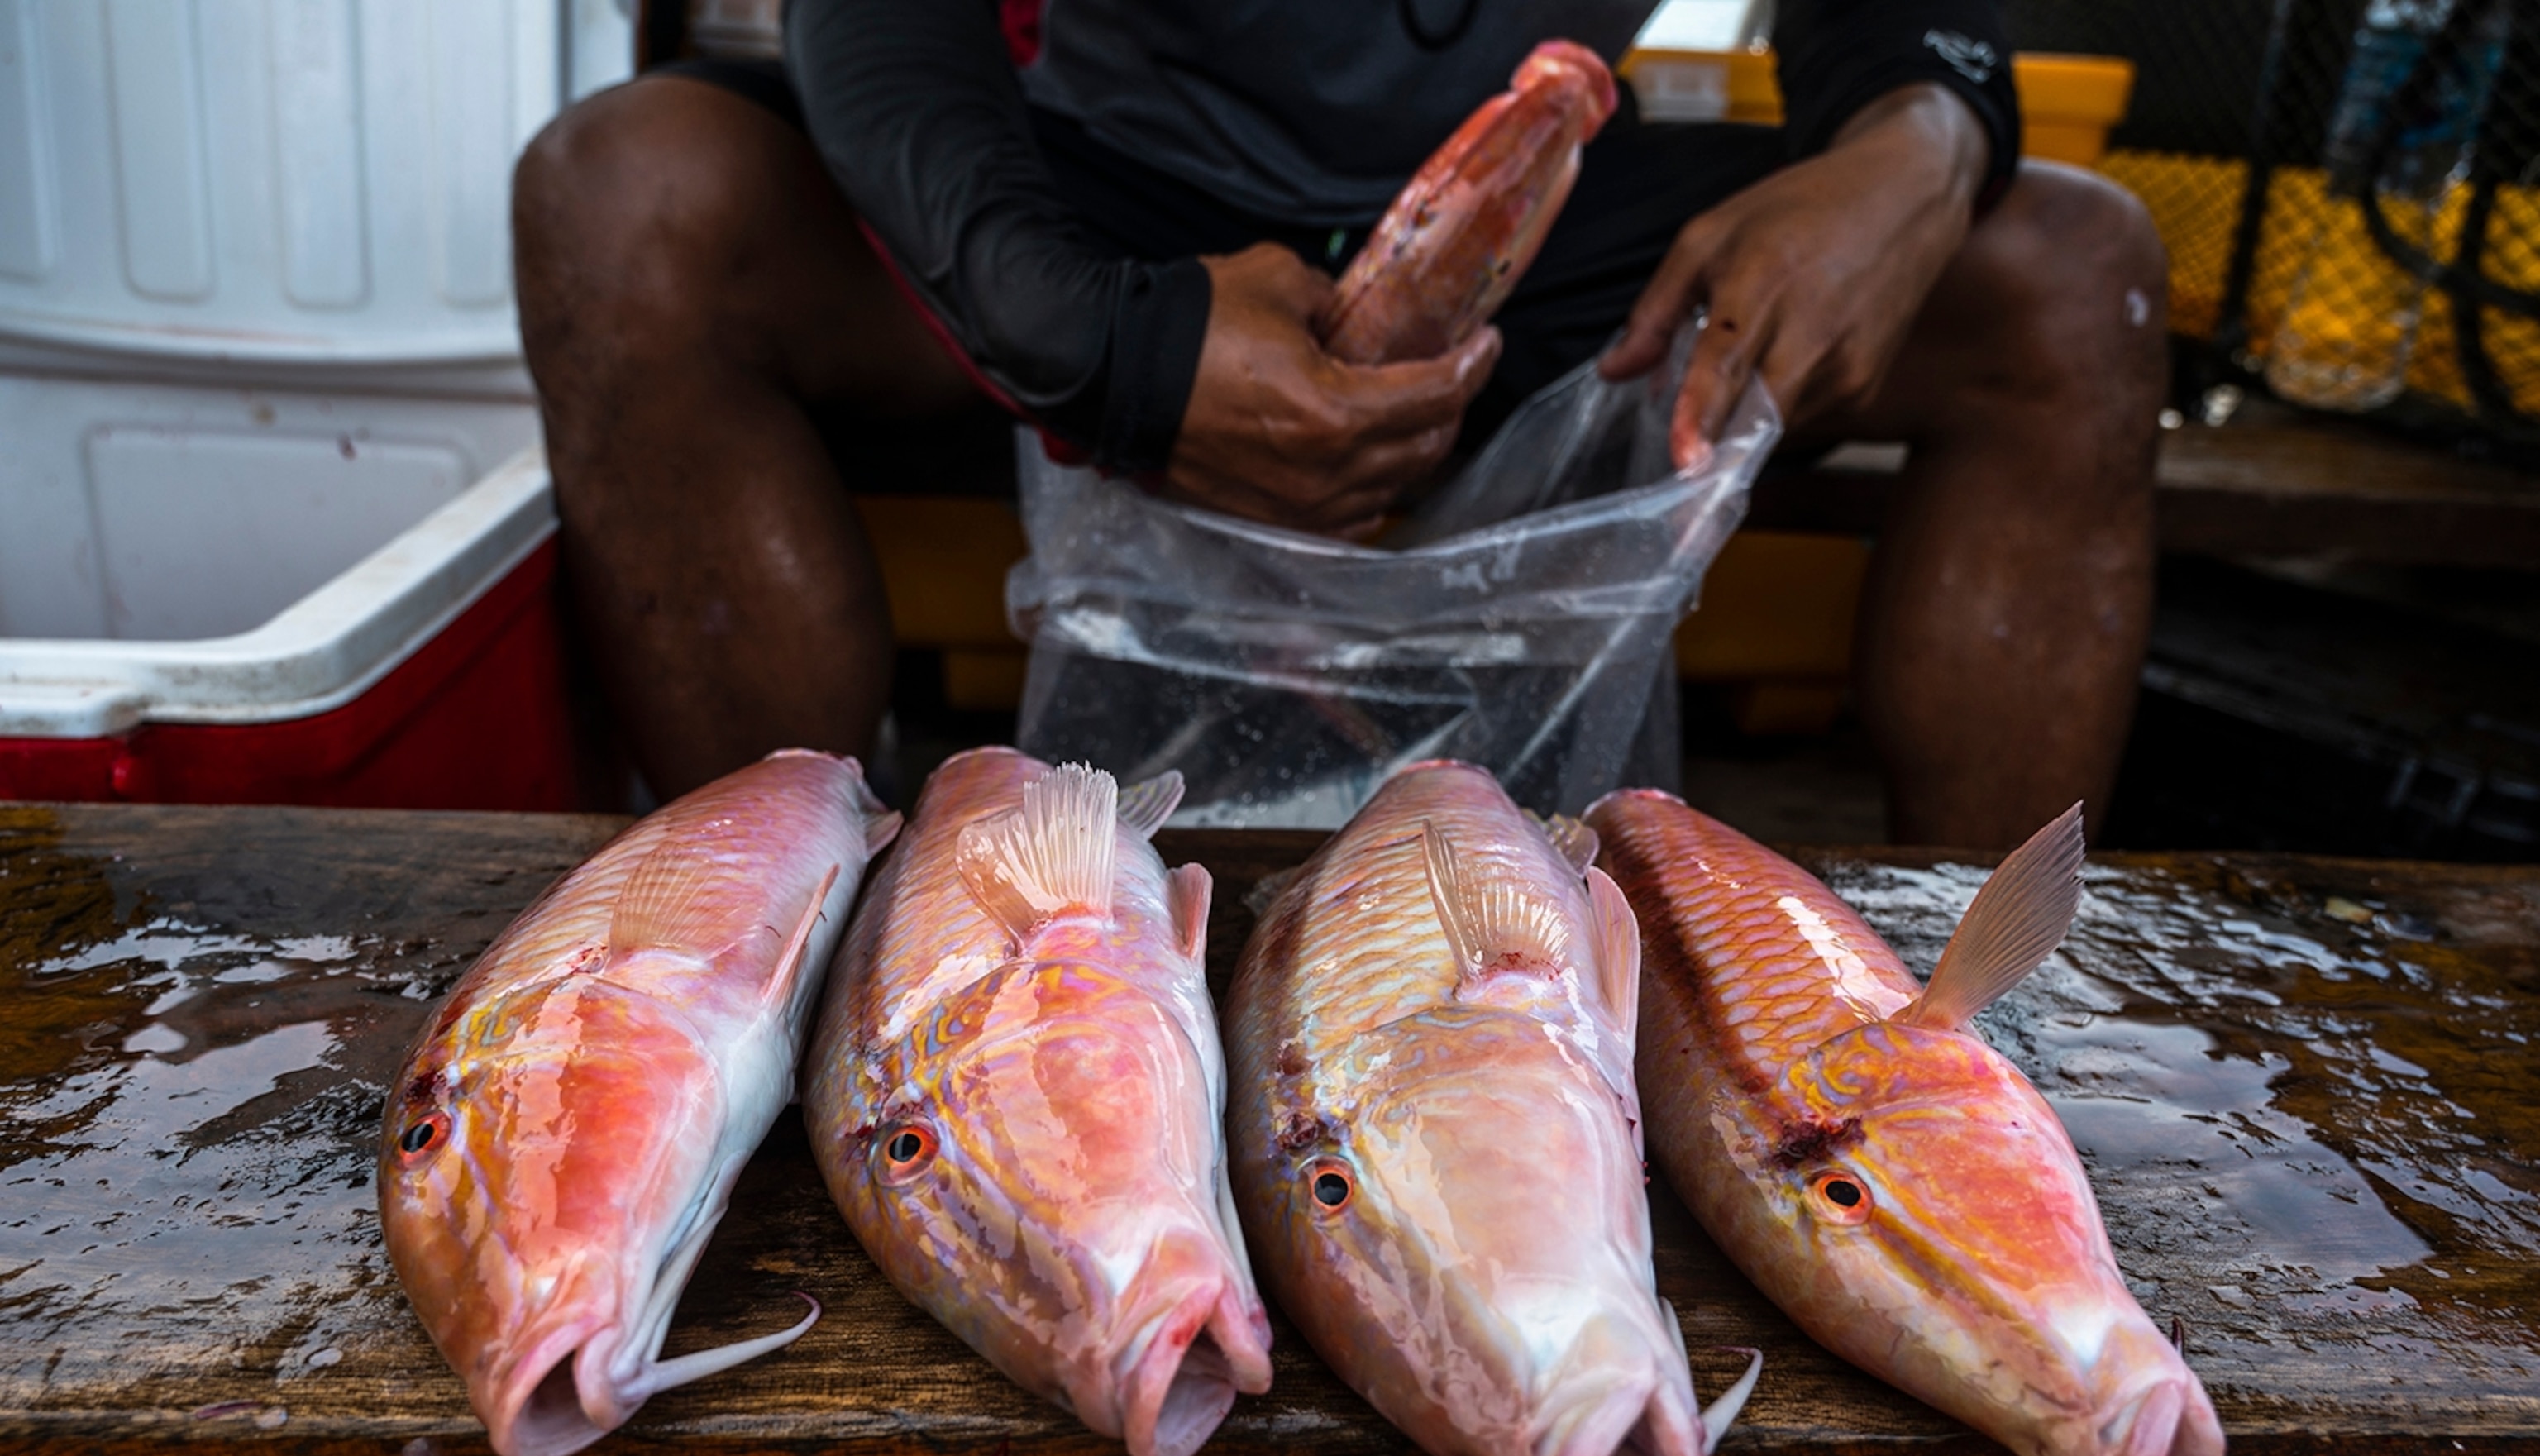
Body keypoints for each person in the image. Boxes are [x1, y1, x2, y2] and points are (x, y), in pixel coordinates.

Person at [513, 1, 2165, 847]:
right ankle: (780, 950)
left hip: (1543, 223)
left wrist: (1926, 141)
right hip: (1111, 213)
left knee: (2077, 274)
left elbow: (1903, 27)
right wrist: (1098, 341)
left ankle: (1959, 1029)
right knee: (629, 202)